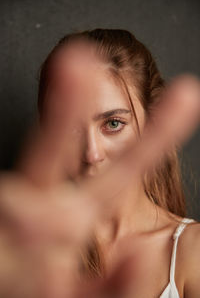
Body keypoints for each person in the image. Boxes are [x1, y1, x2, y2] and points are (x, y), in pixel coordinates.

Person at [0, 28, 199, 298]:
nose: (92, 153)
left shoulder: (192, 251)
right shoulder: (29, 255)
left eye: (113, 124)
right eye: (70, 129)